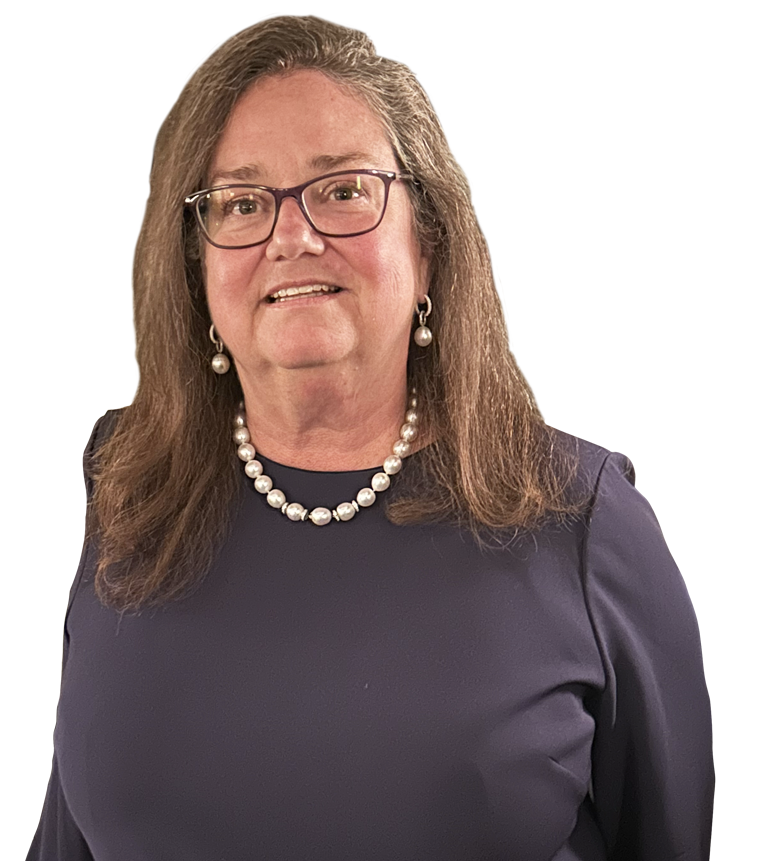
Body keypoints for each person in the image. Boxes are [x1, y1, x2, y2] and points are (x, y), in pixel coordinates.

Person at [28, 13, 712, 861]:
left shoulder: (580, 522)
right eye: (241, 203)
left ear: (426, 246)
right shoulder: (130, 503)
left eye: (343, 189)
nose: (292, 235)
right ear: (197, 276)